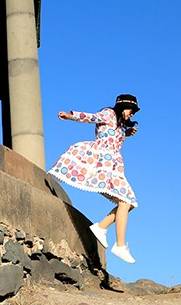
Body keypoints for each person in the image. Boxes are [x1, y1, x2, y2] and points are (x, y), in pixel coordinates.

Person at [47, 94, 140, 264]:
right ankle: (118, 245)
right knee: (126, 201)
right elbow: (90, 117)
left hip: (114, 166)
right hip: (102, 164)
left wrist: (126, 133)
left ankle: (101, 227)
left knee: (128, 202)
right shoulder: (108, 114)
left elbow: (114, 141)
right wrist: (70, 116)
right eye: (131, 111)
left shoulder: (119, 126)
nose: (132, 115)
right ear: (123, 107)